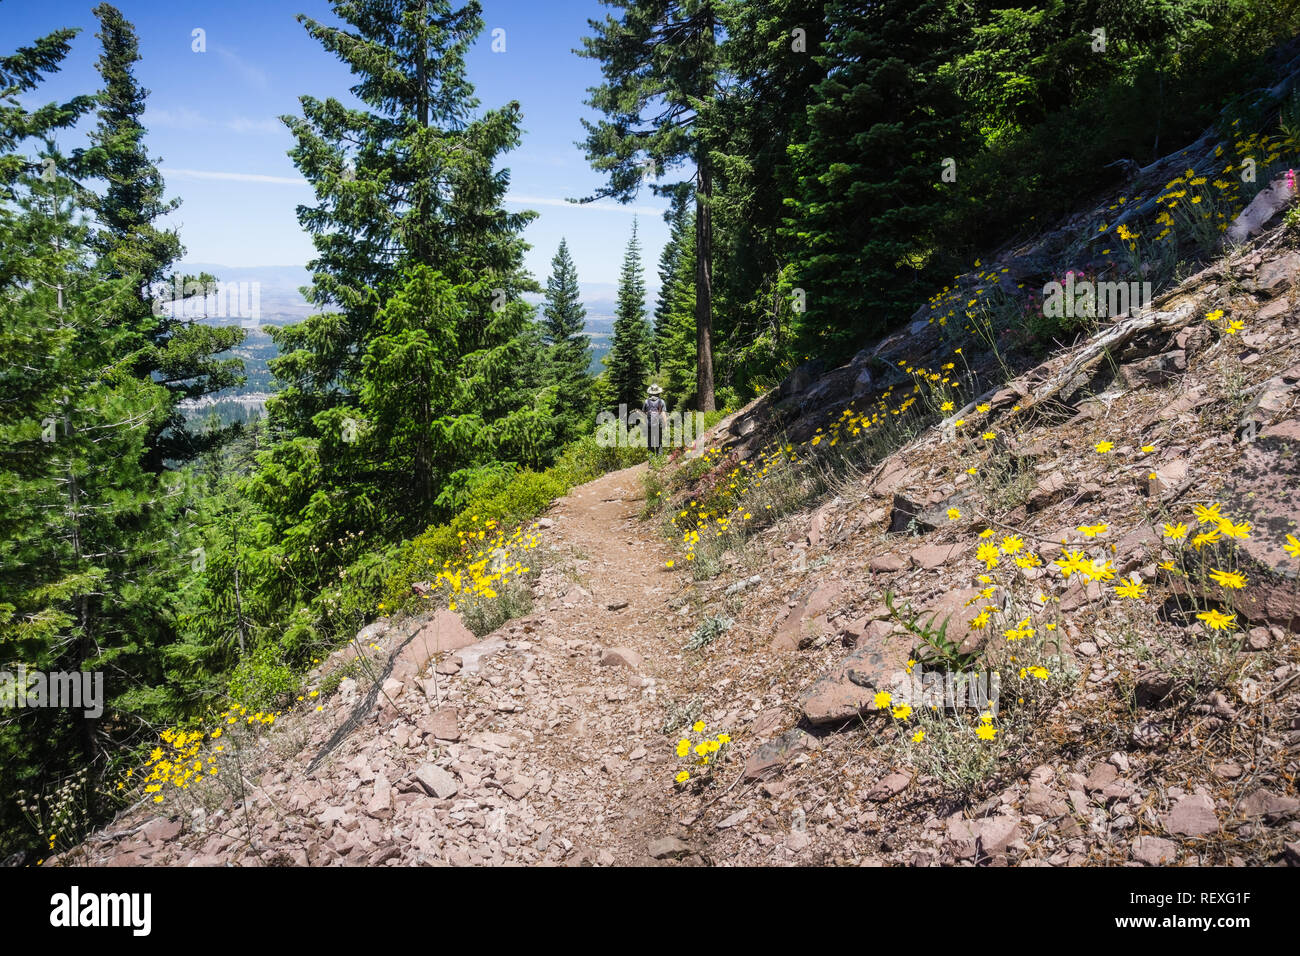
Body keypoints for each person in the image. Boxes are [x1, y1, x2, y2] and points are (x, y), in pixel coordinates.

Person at [643, 384, 667, 455]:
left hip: (649, 426)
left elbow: (644, 414)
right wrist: (665, 426)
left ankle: (651, 462)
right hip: (658, 425)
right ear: (658, 393)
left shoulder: (646, 402)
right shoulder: (661, 402)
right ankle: (659, 460)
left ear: (650, 393)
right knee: (659, 442)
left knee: (650, 444)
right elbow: (663, 415)